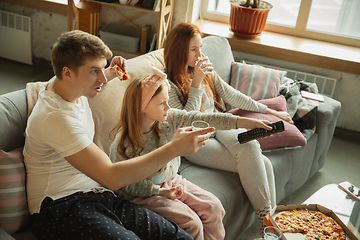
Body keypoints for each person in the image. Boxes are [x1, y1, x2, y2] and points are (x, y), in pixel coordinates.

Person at [23, 30, 214, 240]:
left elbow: (90, 77)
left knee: (181, 237)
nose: (102, 77)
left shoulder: (70, 86)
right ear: (68, 73)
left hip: (98, 194)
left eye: (102, 68)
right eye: (94, 71)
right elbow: (111, 177)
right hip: (61, 206)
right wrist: (173, 149)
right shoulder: (54, 117)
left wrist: (112, 72)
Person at [109, 67, 274, 240]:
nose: (168, 107)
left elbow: (205, 118)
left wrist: (244, 122)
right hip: (142, 194)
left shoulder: (169, 119)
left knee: (214, 207)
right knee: (192, 223)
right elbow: (124, 187)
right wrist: (159, 192)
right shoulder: (124, 144)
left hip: (172, 182)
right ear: (141, 107)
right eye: (161, 103)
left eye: (167, 101)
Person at [163, 23, 294, 236]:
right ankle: (270, 225)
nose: (200, 54)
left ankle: (269, 223)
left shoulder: (204, 70)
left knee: (258, 154)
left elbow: (231, 95)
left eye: (201, 47)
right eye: (194, 49)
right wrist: (195, 84)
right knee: (262, 162)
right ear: (179, 51)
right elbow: (186, 122)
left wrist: (270, 110)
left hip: (219, 127)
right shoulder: (168, 85)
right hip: (195, 140)